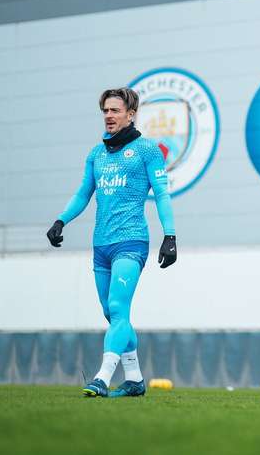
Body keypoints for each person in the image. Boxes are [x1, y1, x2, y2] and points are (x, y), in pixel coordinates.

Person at [46, 87, 177, 398]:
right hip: (101, 246)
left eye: (115, 110)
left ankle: (102, 377)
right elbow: (83, 194)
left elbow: (161, 194)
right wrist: (61, 220)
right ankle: (134, 378)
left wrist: (170, 236)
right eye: (105, 110)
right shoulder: (96, 154)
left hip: (131, 242)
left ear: (130, 115)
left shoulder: (147, 150)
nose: (108, 115)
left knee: (118, 307)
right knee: (114, 315)